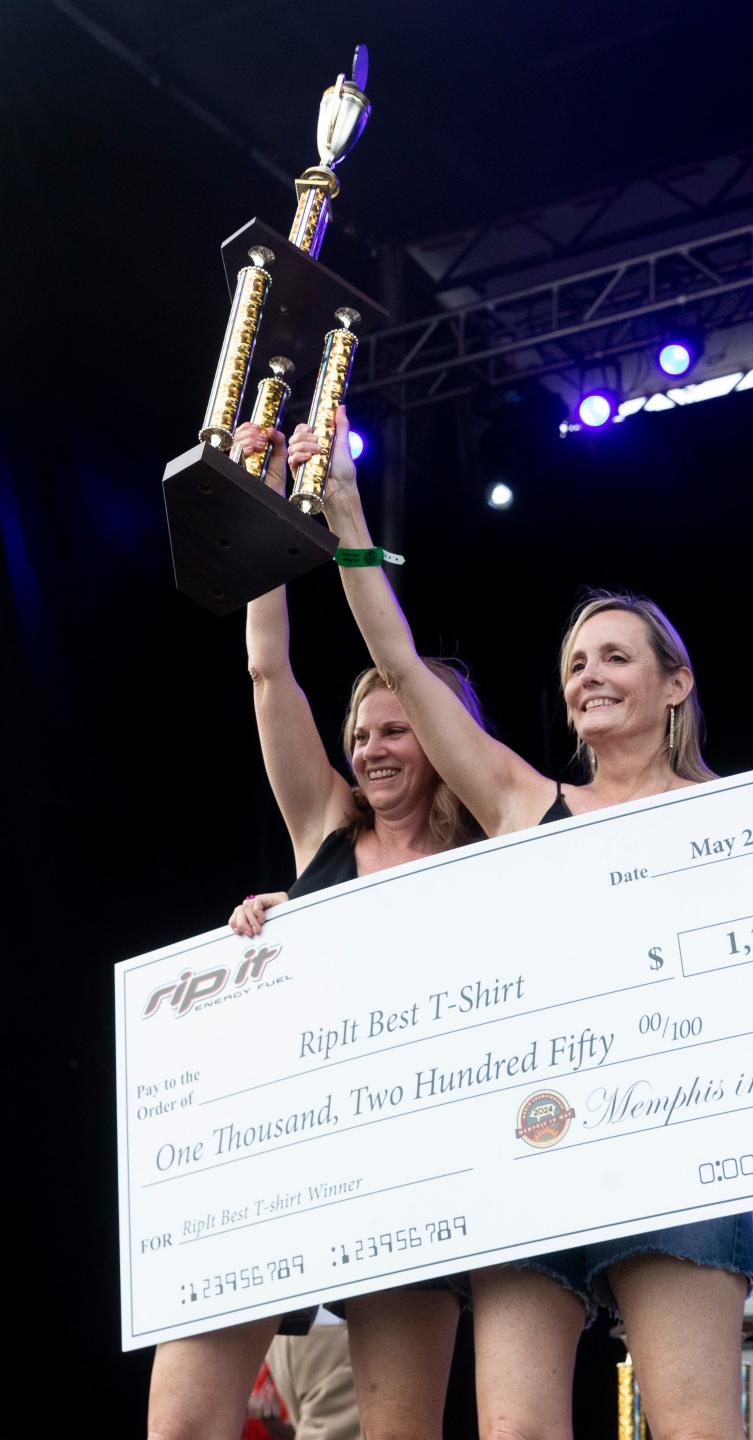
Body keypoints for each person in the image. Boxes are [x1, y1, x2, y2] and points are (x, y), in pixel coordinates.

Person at [296, 406, 753, 1440]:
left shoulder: (750, 822)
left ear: (675, 684)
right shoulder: (526, 804)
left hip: (679, 1148)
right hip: (541, 1146)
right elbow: (396, 658)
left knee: (696, 1425)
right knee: (518, 1430)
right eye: (576, 664)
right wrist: (347, 510)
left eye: (616, 657)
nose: (590, 676)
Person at [147, 421, 484, 1440]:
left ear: (443, 736)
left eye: (397, 730)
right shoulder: (324, 831)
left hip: (412, 1176)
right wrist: (264, 523)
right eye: (361, 734)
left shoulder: (491, 868)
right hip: (278, 1170)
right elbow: (267, 673)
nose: (373, 749)